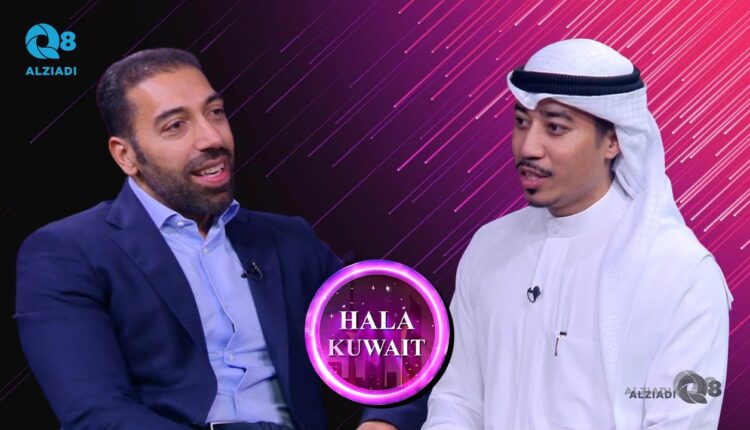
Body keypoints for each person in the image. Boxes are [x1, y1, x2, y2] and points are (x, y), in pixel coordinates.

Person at [15, 48, 425, 430]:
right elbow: (98, 414)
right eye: (176, 126)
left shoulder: (289, 241)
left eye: (215, 112)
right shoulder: (67, 252)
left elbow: (400, 344)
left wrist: (381, 423)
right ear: (127, 155)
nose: (212, 138)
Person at [422, 39, 732, 429]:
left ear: (614, 140)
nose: (528, 147)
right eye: (522, 122)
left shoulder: (681, 273)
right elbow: (457, 400)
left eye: (555, 127)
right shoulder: (489, 246)